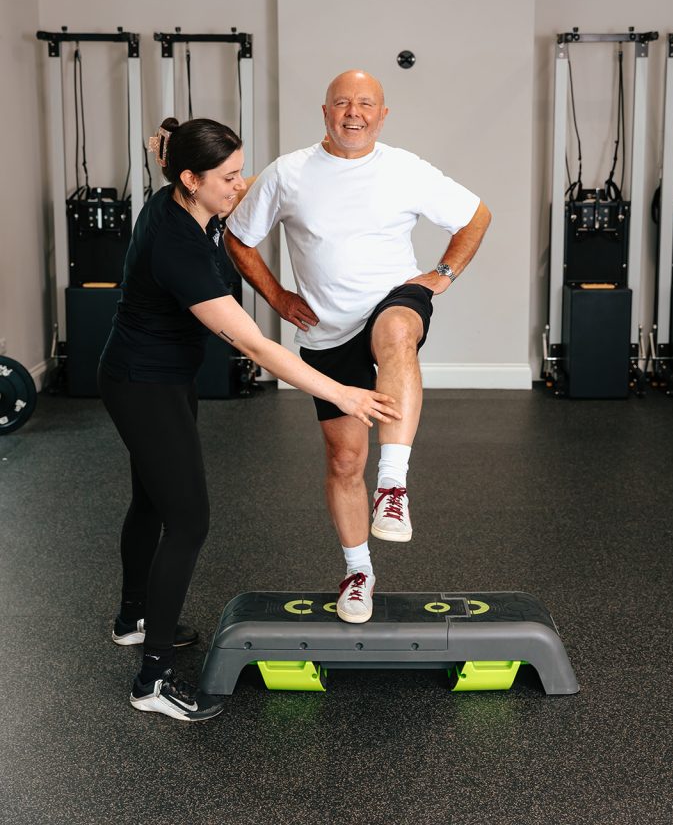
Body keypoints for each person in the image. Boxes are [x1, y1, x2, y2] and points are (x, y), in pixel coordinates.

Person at [98, 116, 400, 723]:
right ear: (191, 179)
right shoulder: (177, 245)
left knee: (152, 501)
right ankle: (152, 678)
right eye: (230, 177)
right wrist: (341, 392)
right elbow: (258, 348)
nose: (242, 186)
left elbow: (170, 148)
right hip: (143, 382)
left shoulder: (182, 196)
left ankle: (133, 618)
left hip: (158, 375)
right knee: (188, 519)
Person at [226, 70, 491, 625]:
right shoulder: (288, 173)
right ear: (325, 112)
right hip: (326, 328)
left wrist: (442, 273)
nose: (354, 113)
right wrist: (276, 296)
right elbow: (238, 236)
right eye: (342, 103)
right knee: (346, 460)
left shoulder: (404, 168)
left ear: (383, 114)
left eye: (366, 104)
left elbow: (475, 215)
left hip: (392, 300)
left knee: (397, 333)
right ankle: (357, 570)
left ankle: (393, 487)